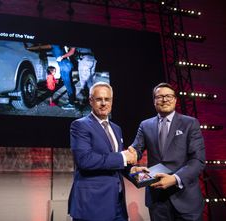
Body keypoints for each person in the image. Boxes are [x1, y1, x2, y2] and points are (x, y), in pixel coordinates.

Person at [129, 82, 206, 221]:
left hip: (186, 199)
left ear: (175, 100)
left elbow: (198, 160)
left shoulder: (190, 123)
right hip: (158, 200)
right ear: (154, 101)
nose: (164, 100)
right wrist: (132, 160)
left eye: (169, 96)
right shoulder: (145, 125)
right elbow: (136, 149)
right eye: (160, 97)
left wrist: (175, 179)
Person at [68, 81, 137, 221]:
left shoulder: (116, 128)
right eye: (99, 99)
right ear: (90, 101)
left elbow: (115, 162)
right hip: (92, 204)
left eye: (107, 99)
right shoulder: (80, 125)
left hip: (117, 202)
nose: (104, 103)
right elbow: (85, 160)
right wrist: (123, 157)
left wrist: (133, 171)